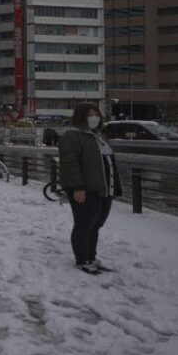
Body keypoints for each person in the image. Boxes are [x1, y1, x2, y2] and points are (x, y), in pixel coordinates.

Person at [58, 102, 122, 275]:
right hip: (84, 189)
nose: (94, 117)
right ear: (80, 116)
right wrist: (77, 186)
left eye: (96, 114)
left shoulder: (99, 136)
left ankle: (91, 257)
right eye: (89, 114)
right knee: (84, 224)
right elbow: (70, 163)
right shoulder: (73, 136)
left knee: (96, 224)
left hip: (103, 189)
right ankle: (82, 260)